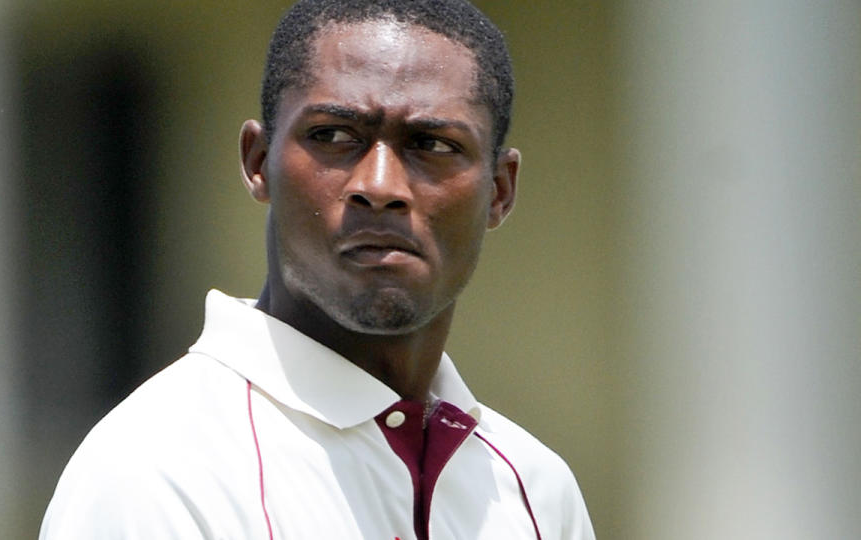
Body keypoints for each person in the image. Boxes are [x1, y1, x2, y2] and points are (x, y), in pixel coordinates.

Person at [39, 0, 596, 538]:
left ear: (499, 190)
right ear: (258, 162)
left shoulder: (535, 492)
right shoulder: (159, 473)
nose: (379, 186)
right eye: (332, 135)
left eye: (432, 143)